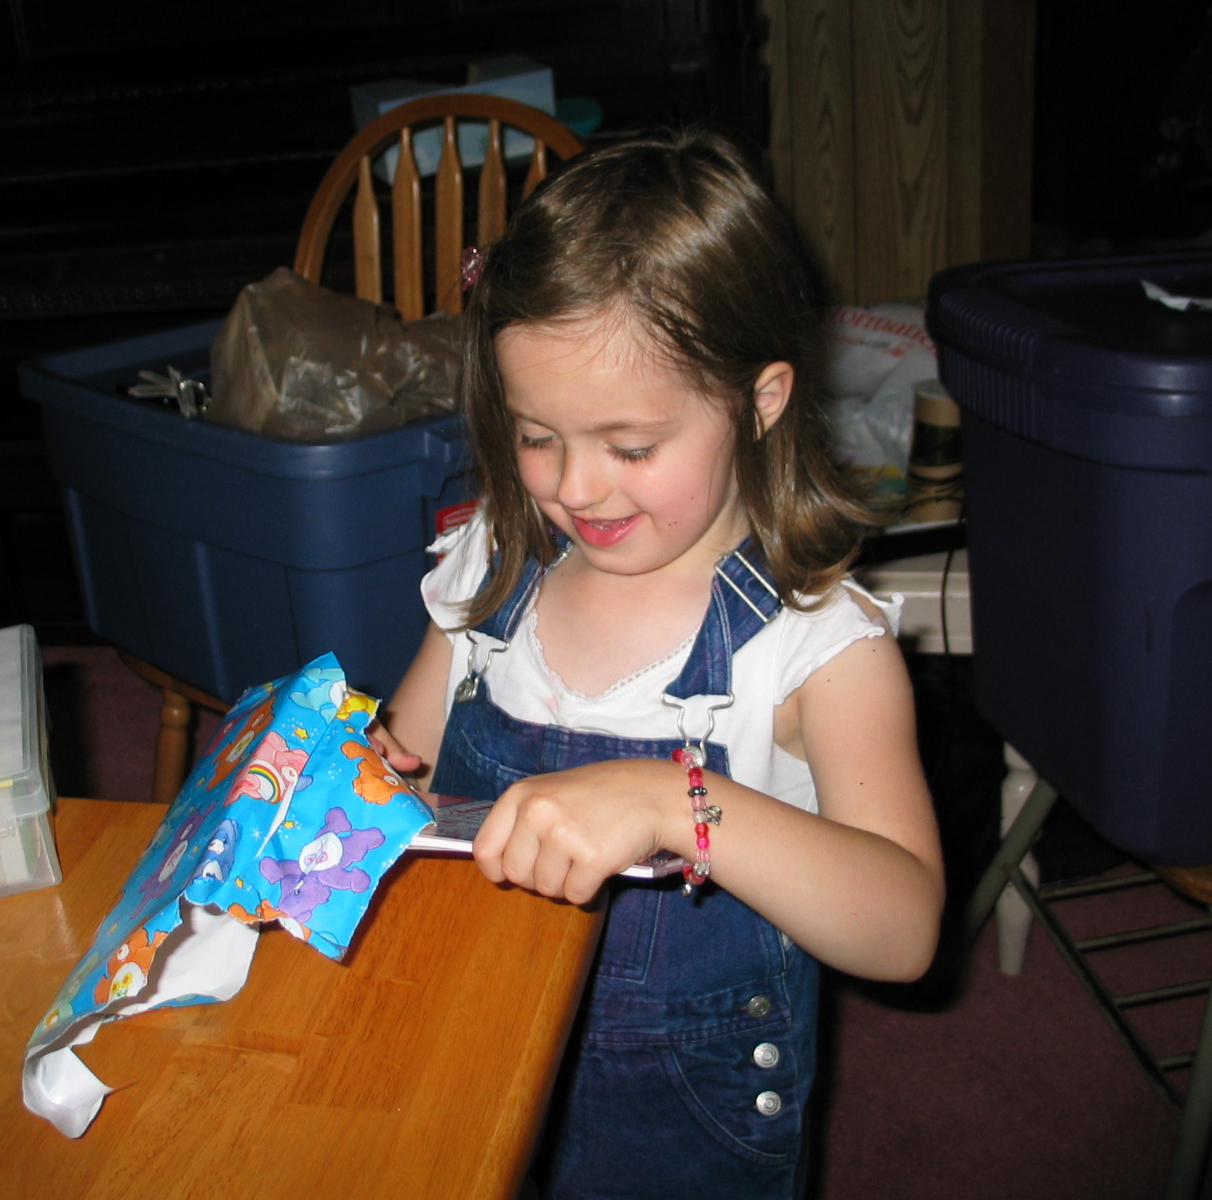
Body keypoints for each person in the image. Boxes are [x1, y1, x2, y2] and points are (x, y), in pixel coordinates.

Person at [375, 129, 944, 1200]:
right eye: (535, 435)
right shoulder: (493, 568)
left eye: (631, 447)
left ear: (760, 400)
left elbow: (904, 925)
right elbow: (400, 763)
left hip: (684, 1131)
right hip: (471, 1039)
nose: (575, 487)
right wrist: (325, 774)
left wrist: (672, 804)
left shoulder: (819, 647)